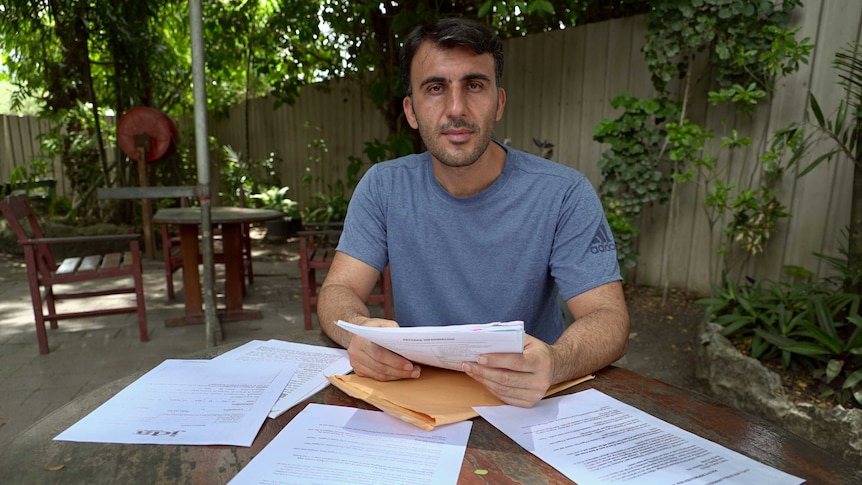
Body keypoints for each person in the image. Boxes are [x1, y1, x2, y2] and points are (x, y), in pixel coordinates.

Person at [317, 17, 629, 408]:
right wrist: (358, 333)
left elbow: (608, 317)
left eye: (474, 85)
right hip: (419, 394)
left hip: (530, 400)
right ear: (411, 112)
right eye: (435, 88)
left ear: (498, 102)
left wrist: (556, 361)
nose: (456, 108)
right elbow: (338, 292)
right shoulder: (384, 187)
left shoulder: (564, 193)